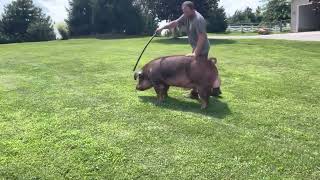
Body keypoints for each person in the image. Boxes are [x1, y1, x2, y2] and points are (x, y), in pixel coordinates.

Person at [155, 1, 222, 97]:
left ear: (192, 9)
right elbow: (175, 23)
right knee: (202, 68)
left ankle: (196, 93)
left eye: (186, 11)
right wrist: (162, 27)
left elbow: (202, 37)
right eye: (183, 11)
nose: (184, 13)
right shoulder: (186, 16)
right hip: (196, 47)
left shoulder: (199, 19)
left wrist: (195, 53)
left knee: (196, 70)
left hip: (202, 48)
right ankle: (215, 89)